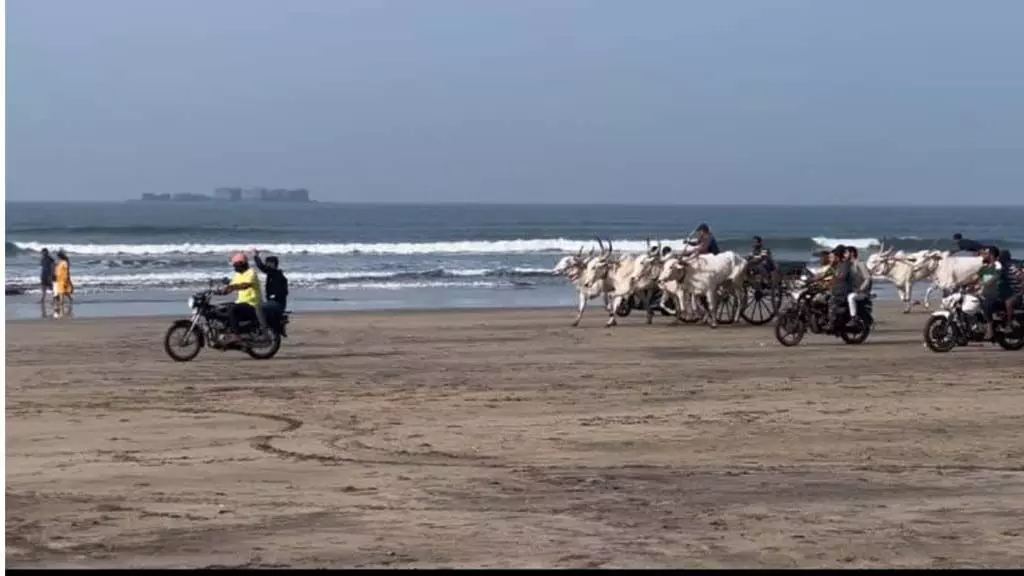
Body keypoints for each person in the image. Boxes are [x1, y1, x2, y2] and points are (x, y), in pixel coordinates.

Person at [218, 252, 262, 344]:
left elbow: (245, 285)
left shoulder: (251, 272)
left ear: (241, 264)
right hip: (240, 303)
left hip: (252, 304)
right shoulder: (237, 275)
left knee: (232, 309)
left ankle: (236, 335)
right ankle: (226, 330)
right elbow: (230, 288)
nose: (234, 268)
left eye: (235, 265)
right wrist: (220, 291)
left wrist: (232, 287)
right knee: (221, 308)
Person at [253, 250, 289, 335]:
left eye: (267, 263)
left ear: (272, 264)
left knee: (258, 307)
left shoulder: (276, 274)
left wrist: (255, 256)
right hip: (275, 302)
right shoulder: (274, 274)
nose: (266, 265)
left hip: (277, 304)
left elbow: (261, 267)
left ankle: (264, 329)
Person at [827, 246, 853, 332]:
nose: (833, 257)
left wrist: (834, 278)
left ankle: (832, 324)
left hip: (843, 291)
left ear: (838, 255)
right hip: (837, 290)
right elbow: (826, 274)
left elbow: (842, 276)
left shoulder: (846, 264)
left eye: (834, 255)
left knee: (832, 302)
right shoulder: (837, 265)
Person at [845, 246, 873, 324]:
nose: (844, 255)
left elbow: (868, 278)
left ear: (852, 253)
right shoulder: (849, 265)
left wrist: (860, 289)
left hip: (861, 292)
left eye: (846, 253)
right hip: (852, 290)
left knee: (851, 297)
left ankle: (854, 318)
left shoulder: (860, 264)